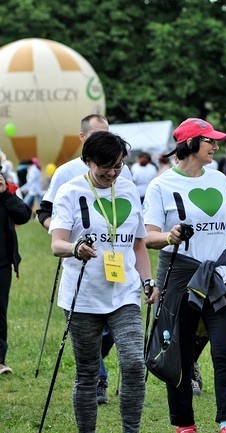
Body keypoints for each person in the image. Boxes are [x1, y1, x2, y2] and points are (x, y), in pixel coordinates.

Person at [49, 131, 157, 433]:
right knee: (87, 374)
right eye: (105, 167)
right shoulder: (70, 192)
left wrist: (147, 279)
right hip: (82, 297)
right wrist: (75, 248)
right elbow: (57, 243)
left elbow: (138, 244)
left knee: (134, 363)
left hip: (123, 293)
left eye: (118, 166)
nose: (112, 173)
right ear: (88, 162)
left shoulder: (128, 189)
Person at [143, 117, 226, 433]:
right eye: (210, 142)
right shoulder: (160, 186)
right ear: (191, 144)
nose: (216, 147)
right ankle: (184, 425)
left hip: (222, 275)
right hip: (181, 278)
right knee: (180, 352)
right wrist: (169, 235)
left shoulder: (219, 179)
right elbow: (148, 237)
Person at [37, 114, 130, 404]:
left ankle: (95, 363)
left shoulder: (116, 171)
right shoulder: (66, 173)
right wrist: (68, 238)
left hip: (114, 265)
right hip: (80, 257)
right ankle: (98, 379)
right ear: (83, 139)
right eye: (96, 136)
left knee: (109, 332)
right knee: (88, 322)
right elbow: (44, 212)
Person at [0, 169, 31, 375]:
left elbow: (24, 215)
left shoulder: (6, 196)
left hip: (1, 263)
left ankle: (0, 361)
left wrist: (4, 193)